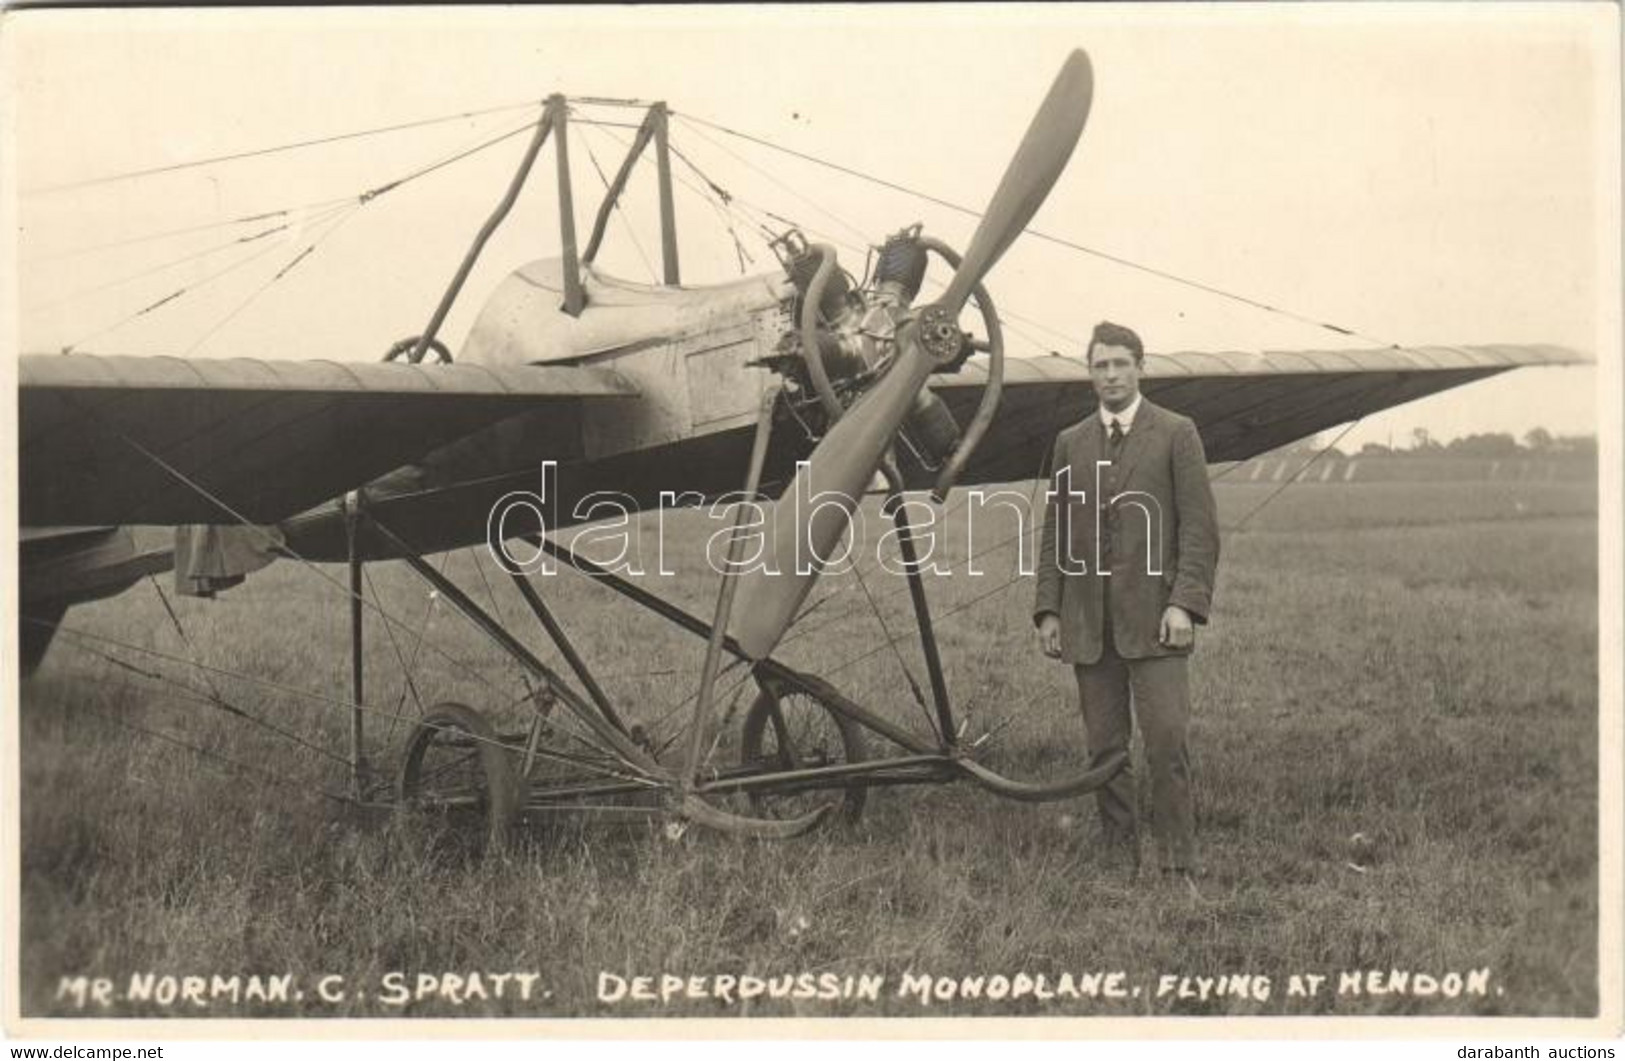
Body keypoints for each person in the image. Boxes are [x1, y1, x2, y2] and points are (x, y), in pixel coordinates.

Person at [1033, 320, 1220, 885]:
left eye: (1120, 363)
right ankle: (1119, 855)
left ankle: (1176, 861)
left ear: (1140, 367)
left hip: (1158, 622)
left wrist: (1184, 603)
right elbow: (1055, 535)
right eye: (1100, 365)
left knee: (1166, 742)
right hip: (1090, 624)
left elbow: (1200, 529)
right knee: (1104, 748)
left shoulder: (1176, 432)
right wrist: (1048, 610)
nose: (1110, 374)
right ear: (1090, 373)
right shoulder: (1071, 442)